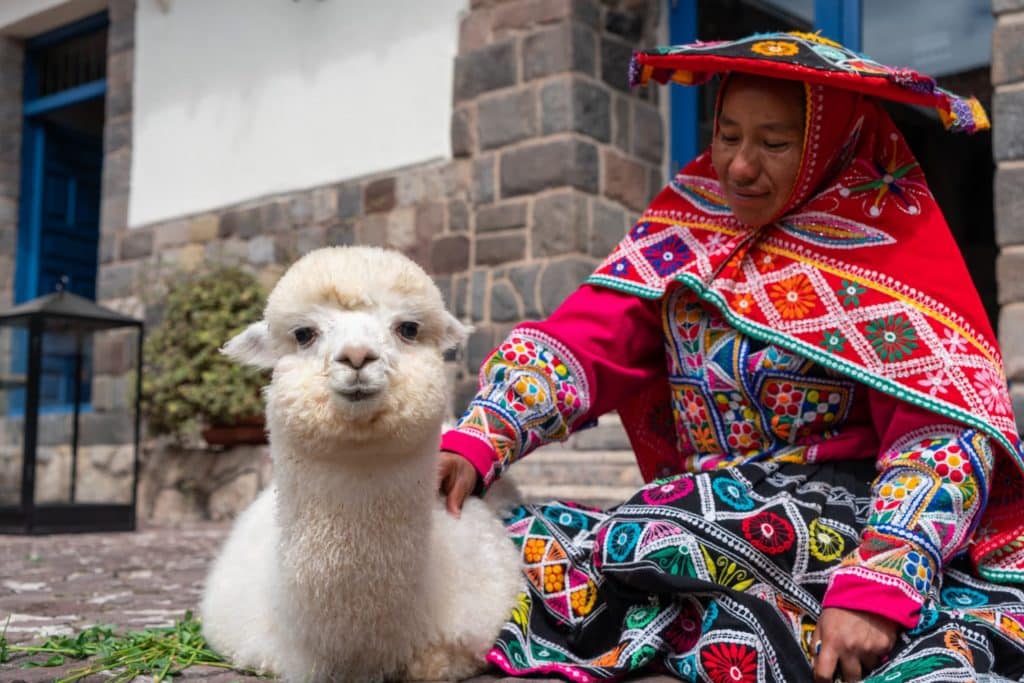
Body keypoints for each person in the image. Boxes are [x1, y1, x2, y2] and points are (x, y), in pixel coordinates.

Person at [438, 32, 1024, 682]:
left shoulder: (888, 250)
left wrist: (880, 583)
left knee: (656, 537)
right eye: (728, 136)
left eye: (773, 144)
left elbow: (939, 433)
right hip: (707, 503)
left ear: (829, 144)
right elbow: (589, 338)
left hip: (840, 509)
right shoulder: (688, 227)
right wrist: (479, 437)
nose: (740, 167)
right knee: (509, 545)